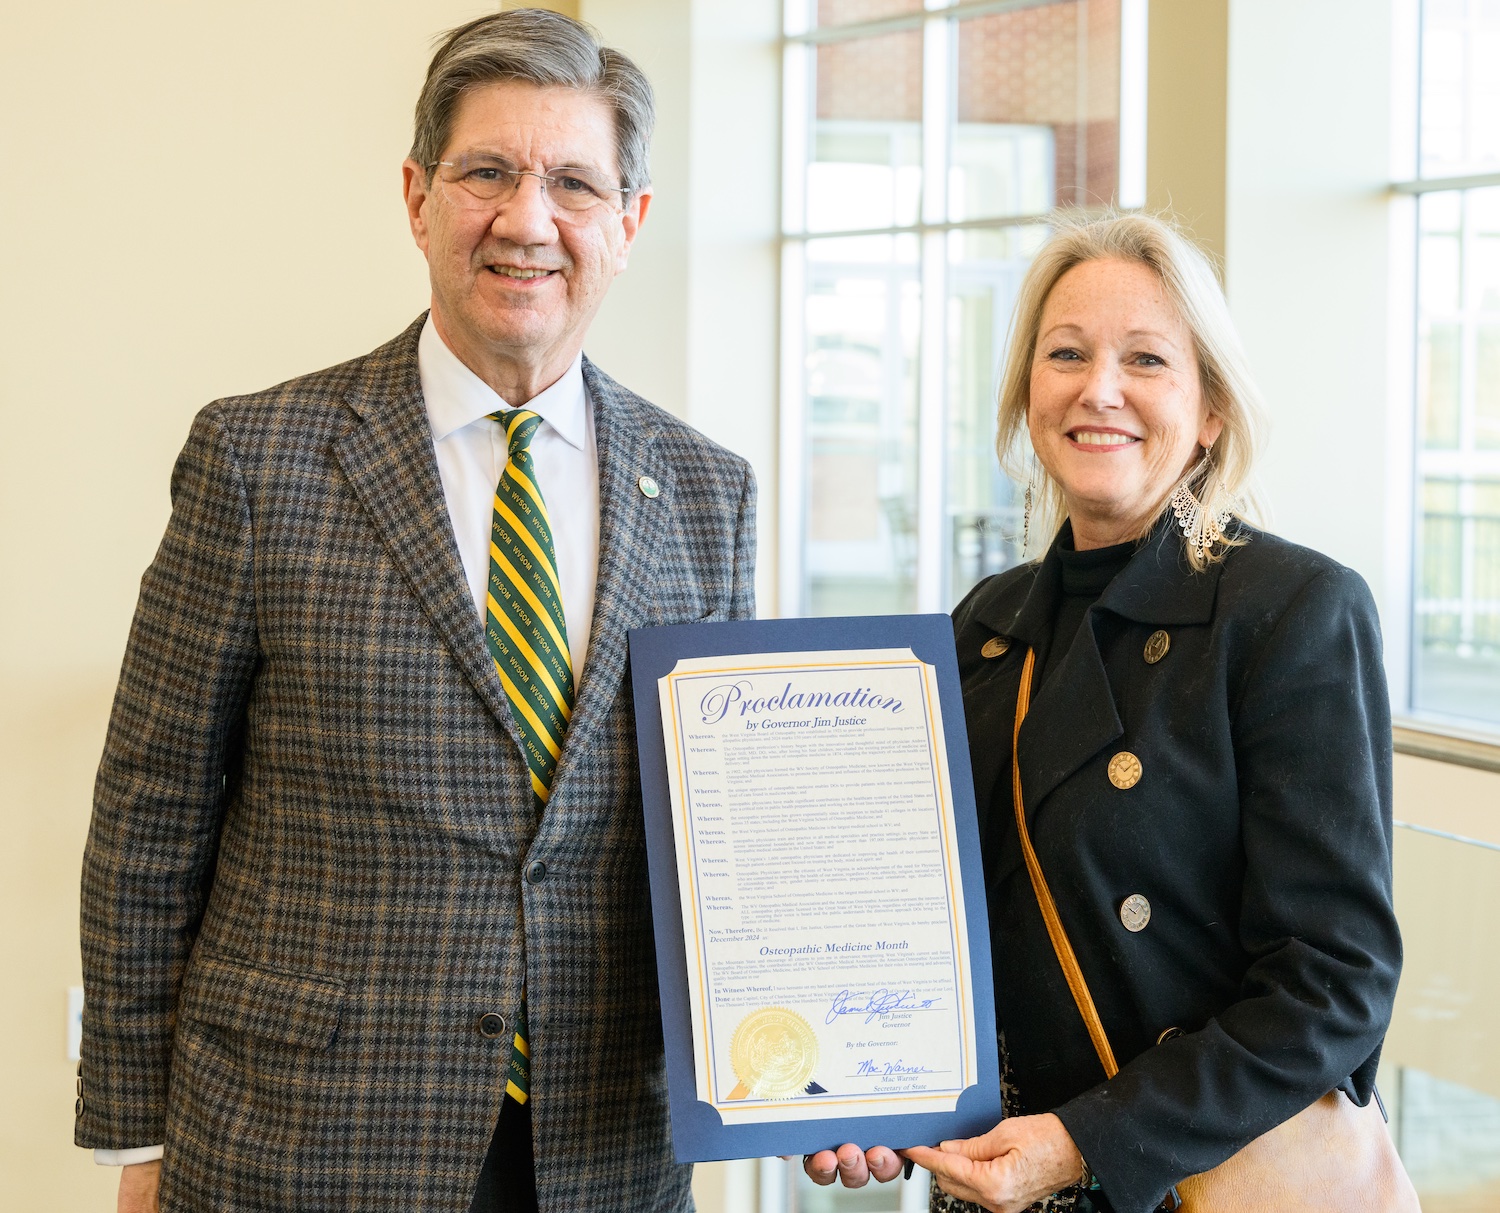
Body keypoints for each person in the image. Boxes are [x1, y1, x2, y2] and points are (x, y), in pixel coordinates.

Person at [75, 10, 755, 1212]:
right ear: (418, 197)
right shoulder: (258, 458)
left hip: (605, 1153)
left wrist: (825, 1078)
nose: (527, 219)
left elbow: (731, 842)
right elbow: (149, 813)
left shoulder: (710, 491)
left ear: (630, 222)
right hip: (302, 1144)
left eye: (575, 183)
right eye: (487, 172)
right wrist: (137, 1138)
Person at [804, 212, 1402, 1213]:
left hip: (1177, 1175)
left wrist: (1088, 1141)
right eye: (1066, 354)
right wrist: (856, 1084)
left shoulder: (1291, 609)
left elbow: (1334, 984)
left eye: (1147, 360)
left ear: (1209, 408)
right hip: (997, 1181)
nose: (1099, 389)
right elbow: (920, 922)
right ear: (1029, 394)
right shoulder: (982, 628)